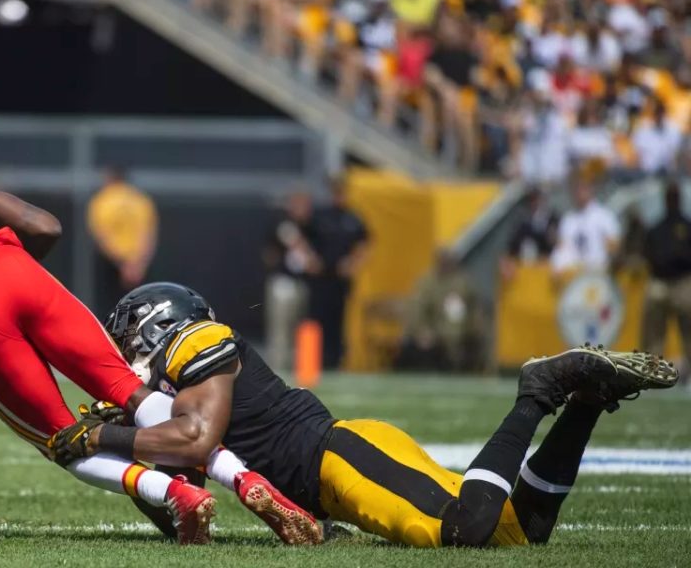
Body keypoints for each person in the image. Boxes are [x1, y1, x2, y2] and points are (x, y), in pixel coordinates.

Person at [0, 136, 313, 546]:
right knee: (133, 396)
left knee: (61, 438)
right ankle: (244, 479)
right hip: (15, 269)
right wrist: (21, 288)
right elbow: (42, 225)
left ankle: (174, 493)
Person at [51, 282, 677, 547]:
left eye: (128, 337)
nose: (123, 352)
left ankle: (539, 390)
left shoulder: (200, 343)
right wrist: (120, 449)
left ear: (156, 325)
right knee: (524, 530)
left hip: (337, 456)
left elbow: (196, 439)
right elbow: (180, 506)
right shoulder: (163, 386)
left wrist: (103, 434)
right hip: (328, 483)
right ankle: (587, 403)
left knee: (467, 528)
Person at [302, 178, 368, 368]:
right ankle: (312, 362)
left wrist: (353, 263)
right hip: (319, 279)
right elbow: (302, 238)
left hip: (340, 280)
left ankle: (336, 362)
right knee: (315, 321)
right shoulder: (320, 216)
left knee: (338, 323)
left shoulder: (353, 218)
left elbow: (365, 244)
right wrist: (310, 260)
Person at [87, 165, 158, 315]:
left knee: (111, 311)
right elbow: (148, 234)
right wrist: (138, 265)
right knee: (141, 309)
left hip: (112, 264)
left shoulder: (102, 200)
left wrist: (122, 265)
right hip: (139, 266)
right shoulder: (140, 199)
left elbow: (102, 236)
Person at [400, 249, 486, 372]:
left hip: (461, 338)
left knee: (474, 348)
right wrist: (421, 331)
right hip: (435, 338)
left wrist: (476, 329)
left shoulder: (464, 283)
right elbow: (416, 310)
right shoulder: (427, 283)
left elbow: (475, 310)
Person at [263, 191, 316, 375]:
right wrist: (311, 260)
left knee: (299, 328)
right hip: (283, 284)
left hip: (300, 283)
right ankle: (277, 370)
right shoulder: (284, 222)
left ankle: (299, 369)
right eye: (300, 204)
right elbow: (295, 244)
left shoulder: (309, 226)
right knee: (280, 330)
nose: (305, 209)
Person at [640, 182, 691, 371]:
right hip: (659, 282)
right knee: (652, 332)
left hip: (684, 281)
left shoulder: (687, 226)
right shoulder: (656, 228)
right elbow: (647, 254)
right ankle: (651, 370)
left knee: (689, 330)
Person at [550, 178, 620, 276]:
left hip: (598, 273)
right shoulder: (568, 219)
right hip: (573, 274)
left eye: (583, 188)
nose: (579, 193)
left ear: (591, 190)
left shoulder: (604, 216)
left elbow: (613, 247)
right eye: (577, 190)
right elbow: (562, 248)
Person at [501, 188, 559, 281]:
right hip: (527, 271)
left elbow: (556, 244)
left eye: (536, 199)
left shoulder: (552, 219)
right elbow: (511, 248)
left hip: (547, 269)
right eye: (531, 200)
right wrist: (507, 262)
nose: (534, 203)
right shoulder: (523, 223)